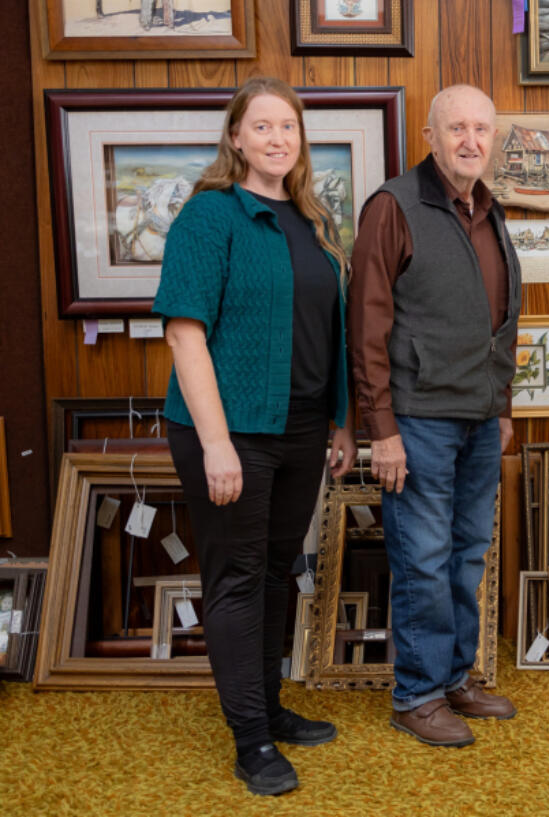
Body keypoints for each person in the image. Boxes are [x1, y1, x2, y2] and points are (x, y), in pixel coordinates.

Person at [155, 76, 356, 796]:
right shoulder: (210, 217)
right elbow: (185, 332)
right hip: (230, 430)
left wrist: (340, 420)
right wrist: (215, 444)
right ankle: (251, 741)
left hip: (302, 428)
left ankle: (269, 705)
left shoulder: (310, 218)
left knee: (277, 571)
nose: (277, 139)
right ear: (235, 137)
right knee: (237, 578)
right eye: (263, 126)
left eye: (289, 128)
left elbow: (323, 330)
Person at [348, 84, 521, 748]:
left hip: (478, 418)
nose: (471, 140)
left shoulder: (489, 208)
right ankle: (415, 694)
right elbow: (364, 326)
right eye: (457, 128)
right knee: (422, 556)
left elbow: (500, 322)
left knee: (466, 554)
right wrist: (381, 429)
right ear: (429, 134)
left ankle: (453, 678)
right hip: (417, 418)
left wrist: (500, 407)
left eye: (482, 128)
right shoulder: (394, 207)